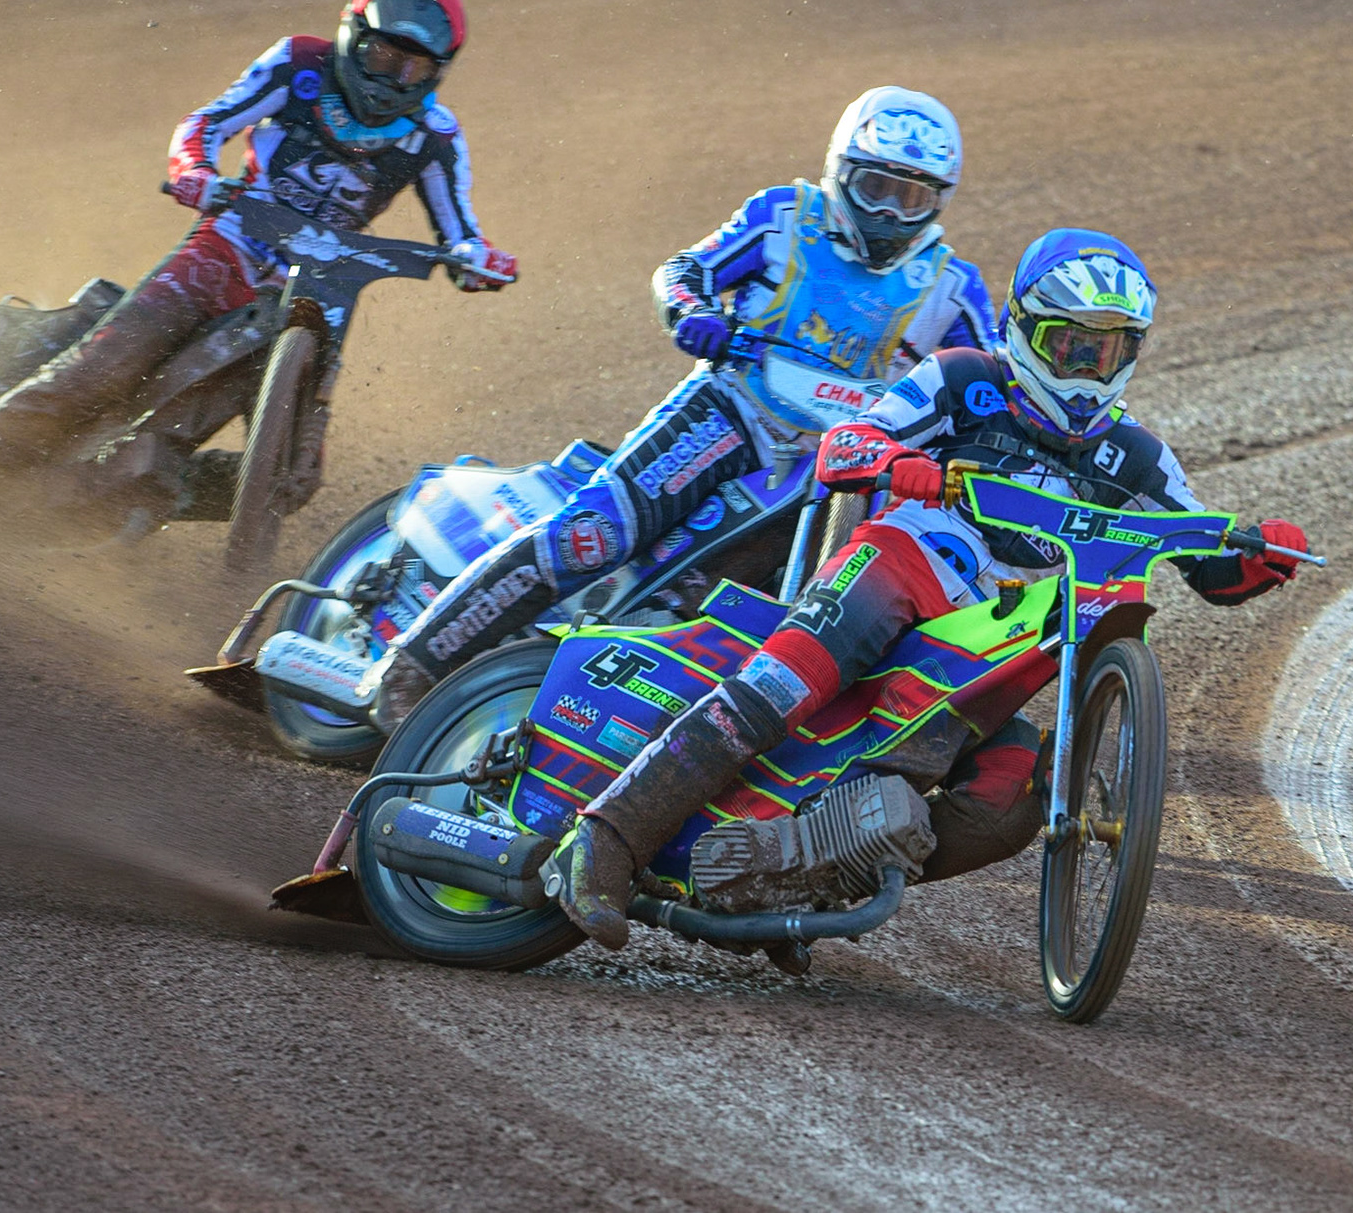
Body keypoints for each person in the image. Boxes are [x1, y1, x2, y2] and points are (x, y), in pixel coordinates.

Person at [543, 228, 1312, 949]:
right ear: (1023, 328)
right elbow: (846, 442)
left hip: (983, 630)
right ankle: (601, 840)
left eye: (1110, 350)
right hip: (897, 563)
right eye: (1069, 344)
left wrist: (1265, 552)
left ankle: (801, 875)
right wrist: (902, 465)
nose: (1087, 368)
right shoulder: (963, 378)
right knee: (776, 688)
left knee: (1013, 798)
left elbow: (1211, 560)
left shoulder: (1136, 457)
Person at [359, 86, 998, 726]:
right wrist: (692, 312)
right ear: (841, 172)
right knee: (596, 533)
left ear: (937, 201)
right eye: (875, 188)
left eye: (910, 196)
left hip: (847, 465)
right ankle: (413, 664)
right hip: (733, 411)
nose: (888, 212)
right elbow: (684, 270)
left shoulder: (952, 287)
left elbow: (992, 389)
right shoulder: (786, 216)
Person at [0, 0, 516, 510]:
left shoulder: (435, 136)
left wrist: (477, 259)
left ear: (438, 71)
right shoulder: (299, 64)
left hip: (317, 296)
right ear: (352, 35)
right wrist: (194, 173)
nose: (393, 77)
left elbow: (461, 229)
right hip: (228, 246)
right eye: (384, 56)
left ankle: (132, 498)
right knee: (97, 372)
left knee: (293, 479)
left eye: (413, 66)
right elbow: (207, 121)